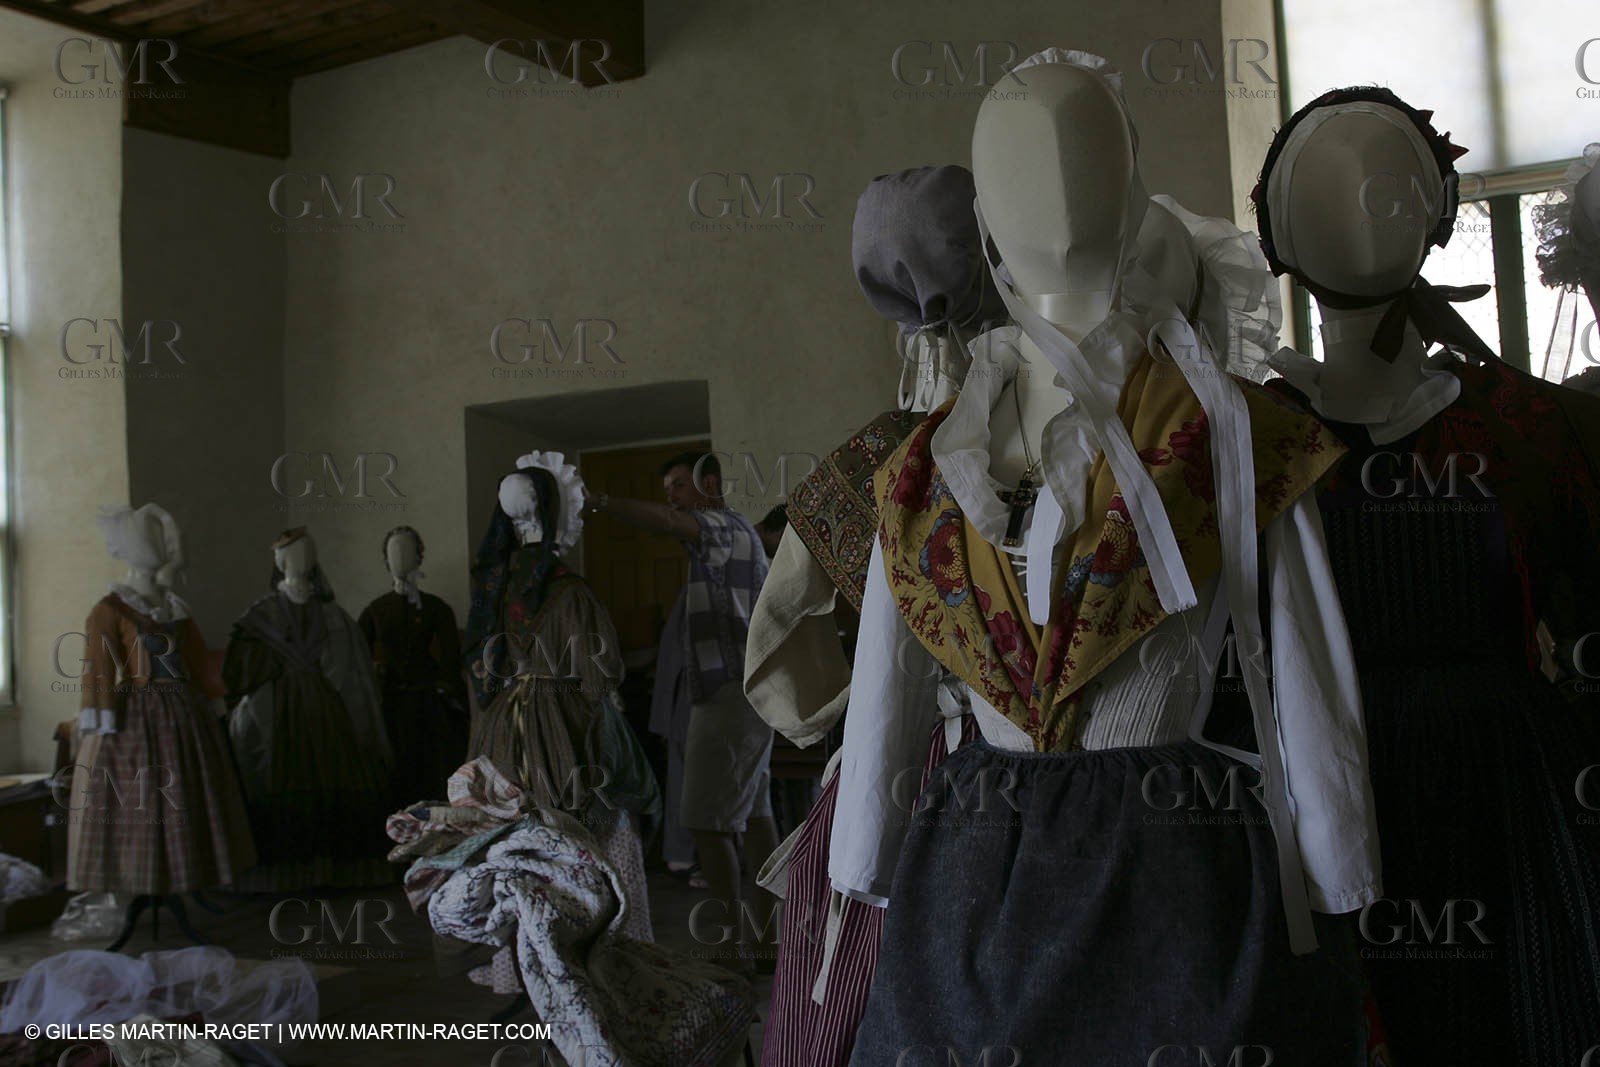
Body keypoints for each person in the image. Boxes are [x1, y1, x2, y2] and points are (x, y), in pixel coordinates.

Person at [587, 451, 778, 969]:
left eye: (676, 485)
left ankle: (731, 949)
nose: (670, 497)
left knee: (706, 824)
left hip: (727, 699)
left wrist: (599, 500)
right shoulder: (736, 534)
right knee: (757, 818)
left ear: (708, 483)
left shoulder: (720, 526)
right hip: (747, 696)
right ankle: (763, 944)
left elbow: (668, 521)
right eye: (667, 488)